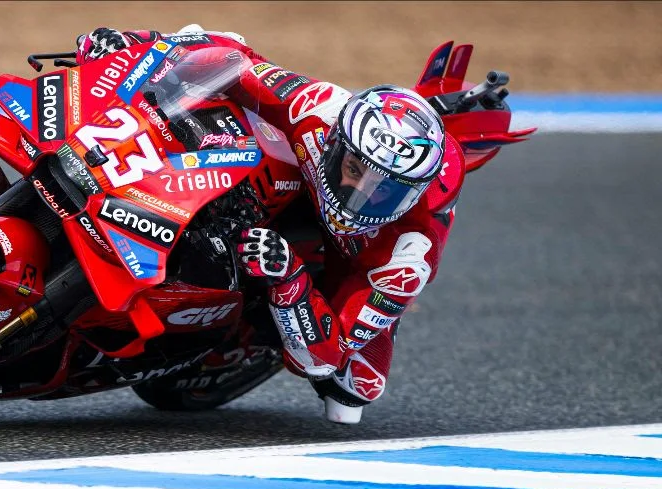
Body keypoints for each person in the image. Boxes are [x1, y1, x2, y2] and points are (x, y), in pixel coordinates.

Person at [75, 25, 461, 424]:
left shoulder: (408, 256)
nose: (357, 194)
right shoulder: (318, 109)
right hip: (289, 183)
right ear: (336, 143)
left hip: (354, 258)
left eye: (384, 193)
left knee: (353, 385)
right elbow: (233, 55)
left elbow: (323, 356)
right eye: (354, 169)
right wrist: (133, 46)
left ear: (411, 197)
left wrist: (289, 277)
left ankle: (242, 337)